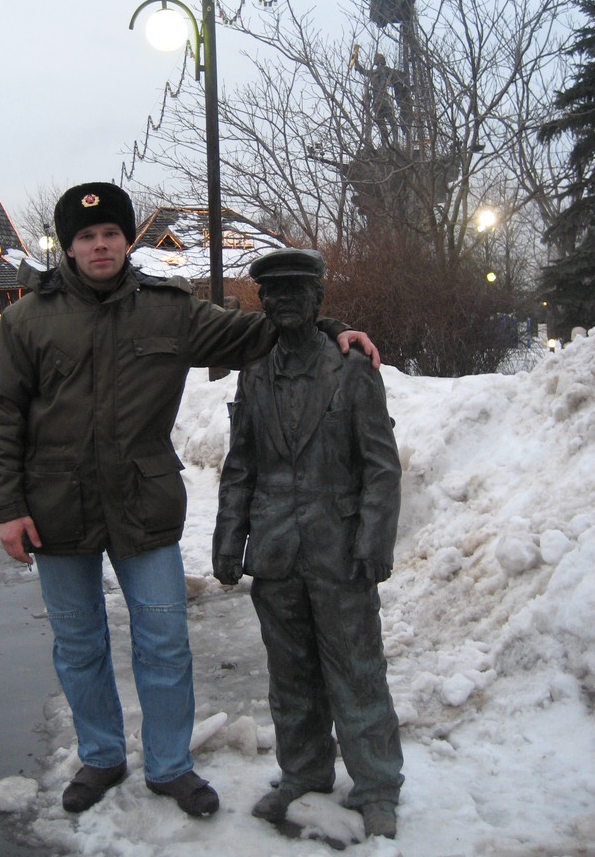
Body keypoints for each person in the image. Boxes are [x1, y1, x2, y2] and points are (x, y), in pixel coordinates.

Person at [0, 183, 380, 819]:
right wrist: (7, 508)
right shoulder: (29, 319)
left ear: (127, 239)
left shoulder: (169, 310)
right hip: (56, 509)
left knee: (163, 641)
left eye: (110, 233)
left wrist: (328, 327)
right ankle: (102, 755)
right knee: (79, 643)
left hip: (143, 506)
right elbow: (0, 415)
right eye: (86, 236)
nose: (100, 244)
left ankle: (169, 765)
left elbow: (257, 333)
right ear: (69, 247)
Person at [212, 247, 403, 839]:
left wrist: (375, 540)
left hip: (340, 550)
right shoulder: (254, 372)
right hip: (275, 552)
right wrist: (228, 538)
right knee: (290, 674)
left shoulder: (352, 369)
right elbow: (240, 464)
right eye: (275, 293)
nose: (286, 302)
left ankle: (377, 786)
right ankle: (303, 772)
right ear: (263, 302)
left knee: (356, 670)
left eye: (299, 292)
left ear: (318, 300)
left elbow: (381, 466)